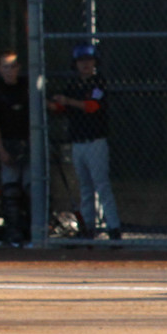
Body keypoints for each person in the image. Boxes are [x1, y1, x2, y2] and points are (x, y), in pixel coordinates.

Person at [50, 43, 122, 240]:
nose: (85, 64)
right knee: (85, 187)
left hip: (95, 141)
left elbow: (92, 106)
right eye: (81, 61)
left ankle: (113, 227)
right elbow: (62, 108)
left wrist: (67, 101)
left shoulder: (98, 82)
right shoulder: (73, 85)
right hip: (78, 142)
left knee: (102, 185)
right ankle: (88, 227)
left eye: (89, 60)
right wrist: (54, 103)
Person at [0, 51, 31, 246]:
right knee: (11, 191)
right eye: (5, 67)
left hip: (28, 143)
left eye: (13, 66)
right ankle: (13, 233)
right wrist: (2, 150)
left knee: (31, 188)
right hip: (8, 143)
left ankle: (32, 232)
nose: (9, 71)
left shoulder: (26, 88)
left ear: (18, 68)